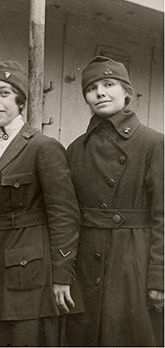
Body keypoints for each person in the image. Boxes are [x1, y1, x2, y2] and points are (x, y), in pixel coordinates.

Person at [0, 60, 80, 346]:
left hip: (31, 270)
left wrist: (61, 276)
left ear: (21, 100)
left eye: (4, 93)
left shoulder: (42, 147)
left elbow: (64, 215)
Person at [65, 56, 164, 346]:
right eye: (92, 87)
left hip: (133, 259)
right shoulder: (75, 149)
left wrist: (159, 276)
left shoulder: (152, 143)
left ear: (126, 93)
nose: (100, 92)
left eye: (109, 84)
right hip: (87, 262)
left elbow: (163, 213)